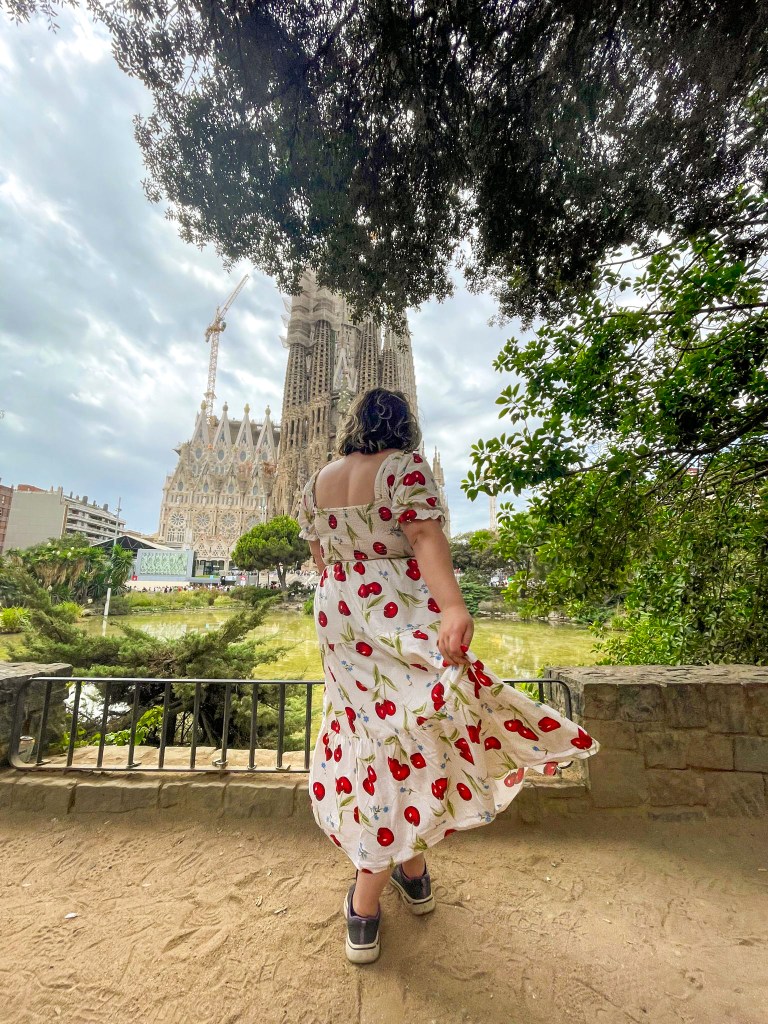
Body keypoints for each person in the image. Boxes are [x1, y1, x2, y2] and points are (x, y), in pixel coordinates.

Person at [297, 387, 599, 964]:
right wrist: (454, 606)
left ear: (354, 425)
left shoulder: (317, 481)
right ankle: (366, 905)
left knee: (375, 736)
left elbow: (322, 558)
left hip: (338, 612)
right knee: (417, 727)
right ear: (404, 425)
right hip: (393, 605)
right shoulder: (403, 467)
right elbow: (426, 537)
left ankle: (413, 869)